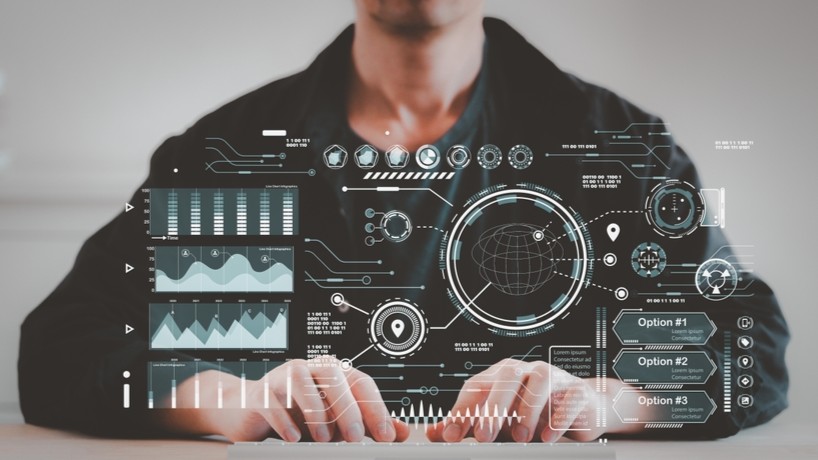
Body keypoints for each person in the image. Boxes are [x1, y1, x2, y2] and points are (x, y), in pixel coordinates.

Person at [18, 0, 789, 443]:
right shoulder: (230, 157)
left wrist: (602, 399)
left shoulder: (615, 149)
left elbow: (746, 346)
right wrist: (233, 397)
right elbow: (61, 349)